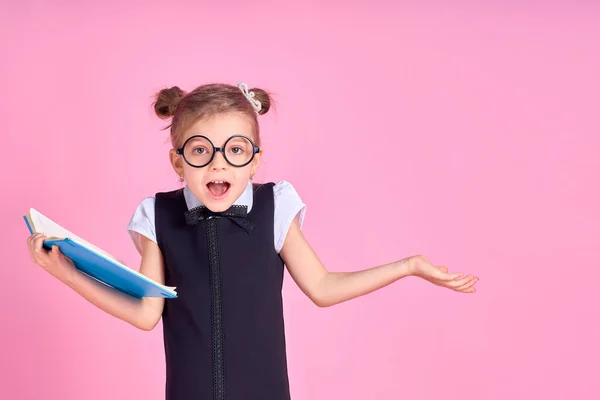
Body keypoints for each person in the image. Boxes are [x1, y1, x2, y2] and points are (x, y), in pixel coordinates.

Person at [26, 82, 478, 400]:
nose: (218, 165)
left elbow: (322, 288)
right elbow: (147, 314)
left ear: (255, 160)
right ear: (177, 161)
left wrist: (408, 266)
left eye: (235, 150)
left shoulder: (276, 207)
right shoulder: (156, 216)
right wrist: (66, 271)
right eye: (200, 150)